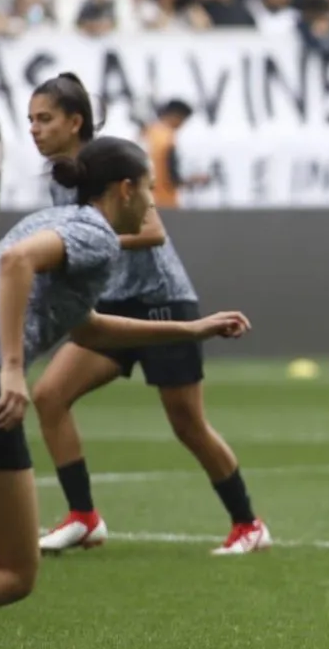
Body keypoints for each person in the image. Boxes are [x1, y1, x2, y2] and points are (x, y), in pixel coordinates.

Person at [0, 136, 251, 649]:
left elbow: (84, 325)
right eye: (149, 190)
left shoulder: (54, 222)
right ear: (125, 190)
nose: (152, 203)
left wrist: (192, 328)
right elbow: (16, 264)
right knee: (11, 571)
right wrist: (12, 366)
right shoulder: (94, 233)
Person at [28, 73, 271, 556]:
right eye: (31, 120)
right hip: (112, 308)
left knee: (187, 425)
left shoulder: (110, 161)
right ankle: (84, 516)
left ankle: (248, 524)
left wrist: (76, 245)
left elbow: (153, 230)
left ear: (75, 123)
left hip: (161, 301)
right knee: (50, 395)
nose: (35, 129)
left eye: (45, 119)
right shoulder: (58, 180)